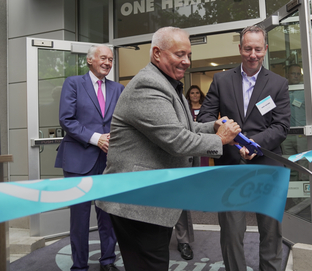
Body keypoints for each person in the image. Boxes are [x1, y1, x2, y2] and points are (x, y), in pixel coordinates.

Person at [96, 26, 241, 271]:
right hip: (137, 204)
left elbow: (184, 126)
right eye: (179, 54)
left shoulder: (169, 83)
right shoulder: (148, 86)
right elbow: (177, 140)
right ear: (156, 53)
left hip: (152, 200)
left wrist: (211, 126)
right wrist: (221, 139)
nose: (186, 61)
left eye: (189, 55)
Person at [197, 25, 290, 271]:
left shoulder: (279, 84)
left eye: (258, 49)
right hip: (229, 165)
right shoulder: (221, 79)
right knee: (231, 233)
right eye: (247, 48)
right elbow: (205, 116)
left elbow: (281, 126)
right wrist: (218, 124)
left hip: (267, 166)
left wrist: (254, 145)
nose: (253, 54)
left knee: (271, 232)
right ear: (240, 48)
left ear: (265, 49)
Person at [55, 44, 124, 271]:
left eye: (111, 59)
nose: (108, 63)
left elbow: (123, 121)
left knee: (108, 216)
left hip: (109, 161)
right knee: (80, 220)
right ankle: (80, 266)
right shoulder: (73, 84)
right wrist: (96, 138)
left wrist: (116, 137)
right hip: (78, 161)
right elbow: (67, 120)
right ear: (90, 61)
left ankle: (107, 262)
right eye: (103, 58)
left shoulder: (118, 89)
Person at [173, 85, 208, 261]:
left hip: (181, 153)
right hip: (153, 159)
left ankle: (183, 240)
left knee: (180, 201)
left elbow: (190, 126)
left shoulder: (181, 101)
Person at [281, 64, 309, 180]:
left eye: (298, 74)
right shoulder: (282, 90)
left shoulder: (304, 91)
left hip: (301, 135)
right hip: (286, 135)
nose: (296, 76)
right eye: (293, 73)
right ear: (288, 75)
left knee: (303, 164)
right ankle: (293, 195)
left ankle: (306, 195)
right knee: (289, 164)